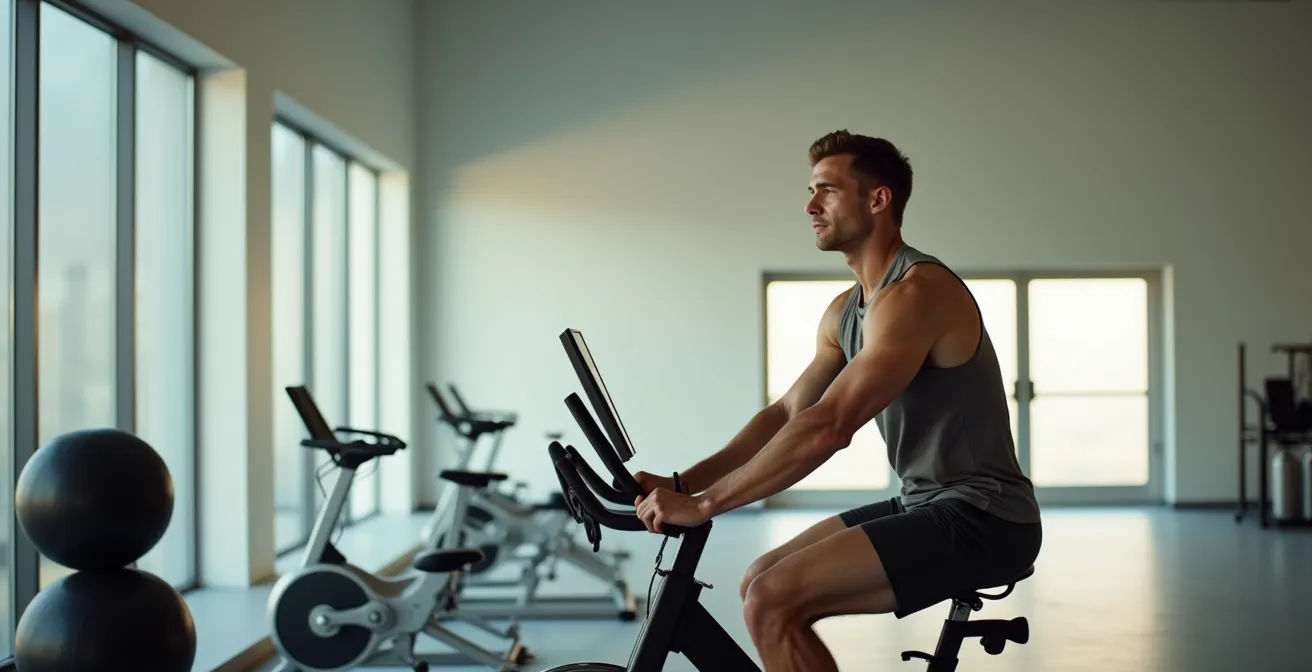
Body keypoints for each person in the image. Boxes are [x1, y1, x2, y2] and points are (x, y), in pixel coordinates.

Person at [632, 130, 1043, 671]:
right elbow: (787, 414)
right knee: (757, 579)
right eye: (810, 191)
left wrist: (707, 505)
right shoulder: (846, 311)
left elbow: (831, 424)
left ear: (878, 199)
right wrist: (682, 484)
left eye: (826, 190)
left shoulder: (918, 293)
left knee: (772, 599)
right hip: (927, 499)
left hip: (985, 517)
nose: (809, 206)